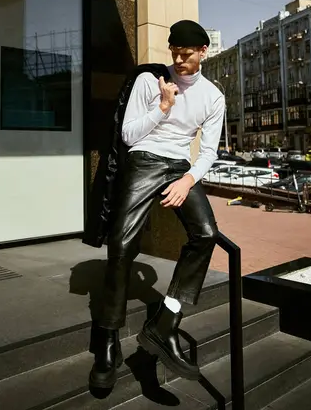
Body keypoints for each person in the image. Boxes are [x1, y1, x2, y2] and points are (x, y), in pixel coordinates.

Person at [89, 20, 225, 389]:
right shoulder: (150, 81)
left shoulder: (213, 96)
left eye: (186, 54)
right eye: (174, 53)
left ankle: (165, 322)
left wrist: (187, 180)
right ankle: (107, 339)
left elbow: (209, 151)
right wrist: (163, 107)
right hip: (144, 160)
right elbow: (129, 135)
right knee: (120, 245)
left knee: (206, 234)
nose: (178, 61)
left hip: (180, 167)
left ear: (203, 52)